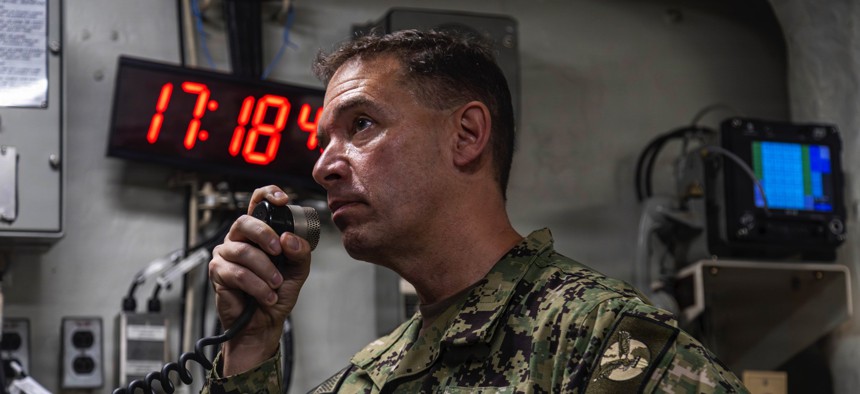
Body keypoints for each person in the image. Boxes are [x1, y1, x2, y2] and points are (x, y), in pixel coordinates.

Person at [203, 30, 748, 393]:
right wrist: (251, 342)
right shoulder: (373, 376)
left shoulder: (594, 338)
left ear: (466, 135)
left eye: (361, 125)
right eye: (325, 141)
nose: (323, 167)